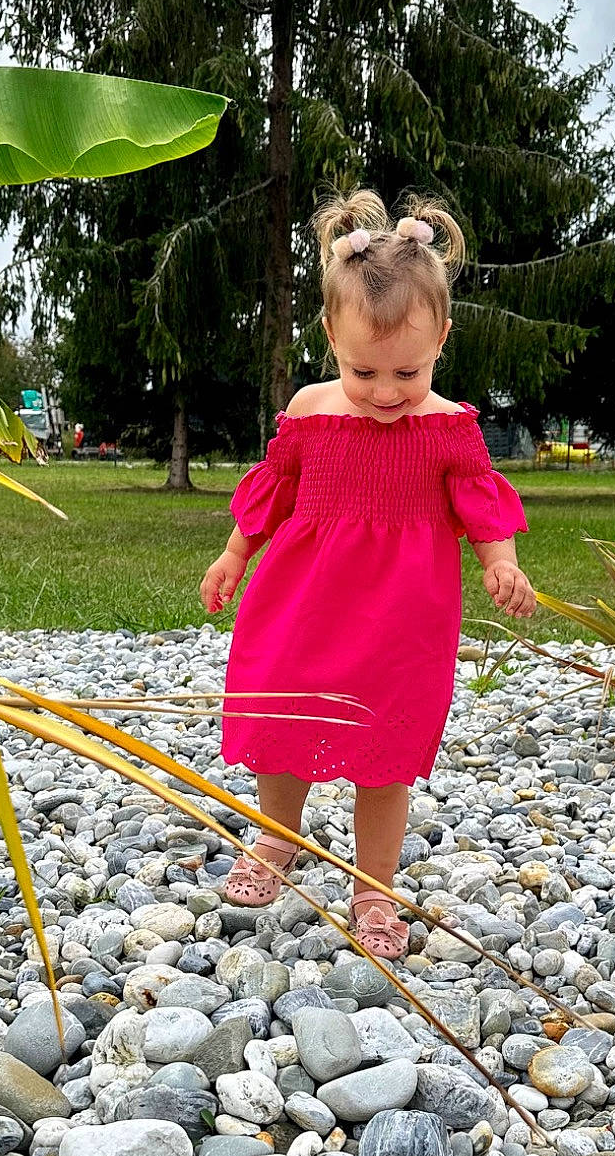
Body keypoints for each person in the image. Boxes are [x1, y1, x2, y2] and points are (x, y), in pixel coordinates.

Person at [200, 189, 536, 957]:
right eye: (365, 371)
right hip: (302, 604)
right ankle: (276, 839)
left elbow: (481, 507)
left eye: (406, 373)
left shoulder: (450, 429)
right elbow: (273, 491)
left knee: (385, 750)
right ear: (329, 336)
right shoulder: (312, 411)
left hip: (400, 620)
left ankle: (374, 889)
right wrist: (233, 553)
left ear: (443, 339)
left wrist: (502, 563)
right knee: (287, 723)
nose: (386, 392)